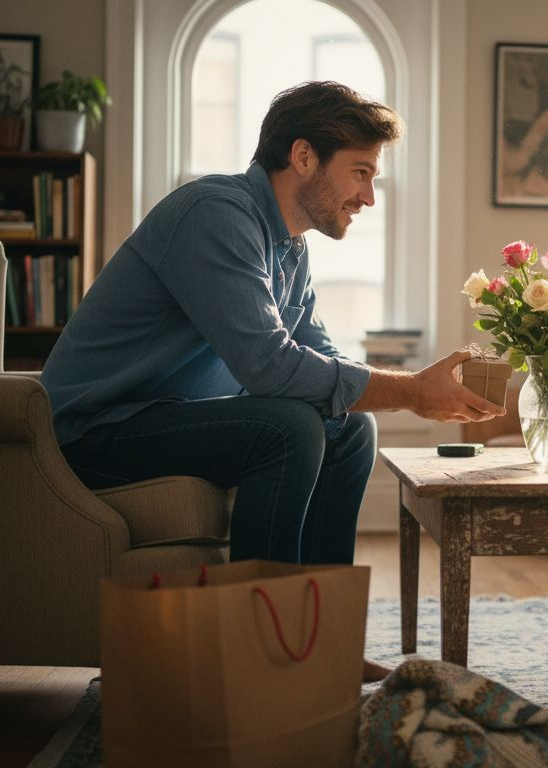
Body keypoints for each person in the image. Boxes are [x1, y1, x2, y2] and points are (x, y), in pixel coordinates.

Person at [41, 81, 505, 681]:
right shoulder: (215, 214)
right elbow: (269, 366)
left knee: (350, 429)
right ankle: (261, 656)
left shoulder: (289, 247)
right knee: (284, 426)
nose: (368, 196)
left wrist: (399, 393)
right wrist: (413, 391)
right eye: (360, 173)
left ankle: (324, 643)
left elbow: (316, 354)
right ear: (304, 156)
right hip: (94, 431)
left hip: (160, 418)